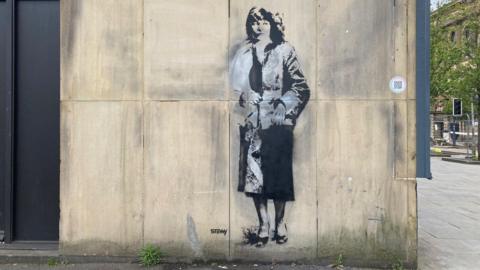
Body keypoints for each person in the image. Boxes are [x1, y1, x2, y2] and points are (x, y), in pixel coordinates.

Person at [230, 7, 310, 248]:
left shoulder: (285, 51)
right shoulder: (244, 54)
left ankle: (280, 222)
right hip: (253, 123)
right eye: (253, 21)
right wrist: (247, 95)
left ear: (272, 24)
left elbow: (301, 87)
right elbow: (237, 89)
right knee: (255, 178)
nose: (258, 26)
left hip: (277, 124)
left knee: (278, 178)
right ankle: (263, 223)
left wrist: (284, 106)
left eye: (262, 21)